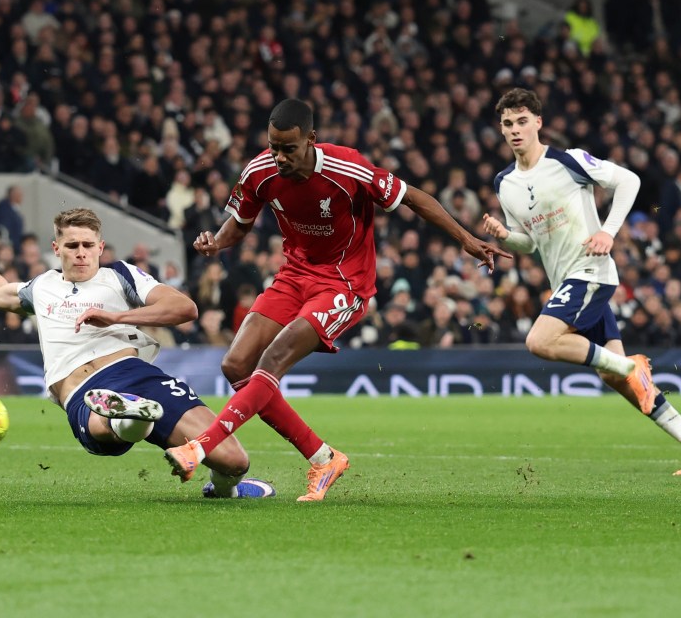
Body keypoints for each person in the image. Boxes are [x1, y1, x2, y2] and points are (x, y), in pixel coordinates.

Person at [164, 98, 511, 501]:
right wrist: (216, 242)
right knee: (235, 364)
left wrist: (466, 238)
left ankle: (199, 448)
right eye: (274, 147)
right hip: (294, 275)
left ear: (311, 139)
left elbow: (413, 197)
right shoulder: (259, 171)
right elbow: (240, 223)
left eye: (289, 148)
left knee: (273, 360)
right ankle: (323, 458)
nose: (279, 157)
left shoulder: (348, 168)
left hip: (344, 284)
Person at [0, 207, 274, 498]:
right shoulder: (41, 286)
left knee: (234, 460)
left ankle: (222, 488)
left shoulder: (121, 276)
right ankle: (129, 415)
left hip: (137, 374)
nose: (81, 253)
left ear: (100, 247)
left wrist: (117, 317)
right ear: (56, 249)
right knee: (102, 425)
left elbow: (184, 308)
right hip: (81, 389)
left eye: (87, 245)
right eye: (72, 245)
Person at [481, 87, 681, 476]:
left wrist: (608, 231)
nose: (515, 130)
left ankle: (632, 367)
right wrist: (506, 236)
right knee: (612, 374)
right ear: (502, 129)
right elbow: (530, 243)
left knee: (539, 341)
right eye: (508, 124)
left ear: (538, 122)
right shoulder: (504, 183)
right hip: (567, 282)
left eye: (522, 121)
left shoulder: (568, 160)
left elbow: (629, 181)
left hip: (591, 271)